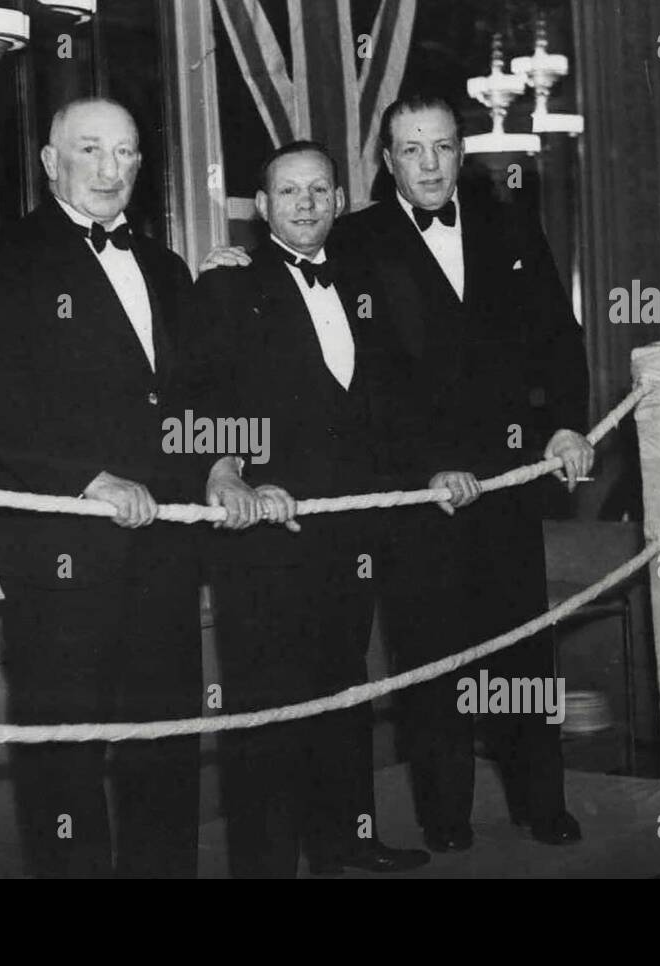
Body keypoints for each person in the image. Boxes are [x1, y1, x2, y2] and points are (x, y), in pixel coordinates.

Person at [333, 93, 590, 849]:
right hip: (417, 492)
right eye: (412, 150)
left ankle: (542, 802)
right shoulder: (356, 239)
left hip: (509, 482)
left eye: (442, 147)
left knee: (522, 648)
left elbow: (558, 336)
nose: (430, 165)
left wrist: (566, 422)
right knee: (432, 656)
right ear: (387, 162)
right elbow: (359, 374)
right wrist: (233, 264)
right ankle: (446, 817)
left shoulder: (509, 225)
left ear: (462, 152)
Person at [0, 97, 206, 876]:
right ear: (49, 162)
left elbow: (190, 398)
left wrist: (222, 465)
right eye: (91, 150)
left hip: (164, 548)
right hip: (62, 553)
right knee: (64, 758)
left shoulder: (167, 266)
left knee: (164, 741)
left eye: (127, 152)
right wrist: (87, 480)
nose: (112, 169)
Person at [192, 141, 430, 875]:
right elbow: (203, 399)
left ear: (338, 201)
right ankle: (264, 865)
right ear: (261, 209)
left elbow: (397, 396)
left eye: (319, 190)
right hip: (263, 532)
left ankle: (345, 839)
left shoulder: (369, 282)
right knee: (266, 707)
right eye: (288, 192)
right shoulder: (224, 286)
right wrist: (231, 470)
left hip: (350, 531)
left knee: (343, 686)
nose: (305, 204)